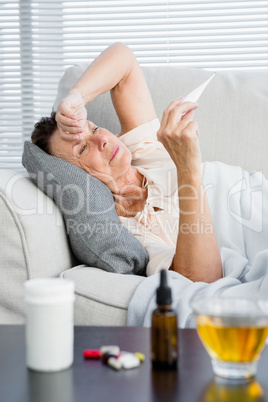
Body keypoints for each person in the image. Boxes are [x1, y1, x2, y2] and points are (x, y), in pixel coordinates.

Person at [31, 42, 222, 283]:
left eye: (95, 128)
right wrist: (188, 168)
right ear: (72, 174)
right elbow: (202, 280)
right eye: (82, 148)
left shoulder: (143, 149)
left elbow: (124, 59)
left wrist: (76, 97)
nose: (102, 138)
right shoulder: (127, 232)